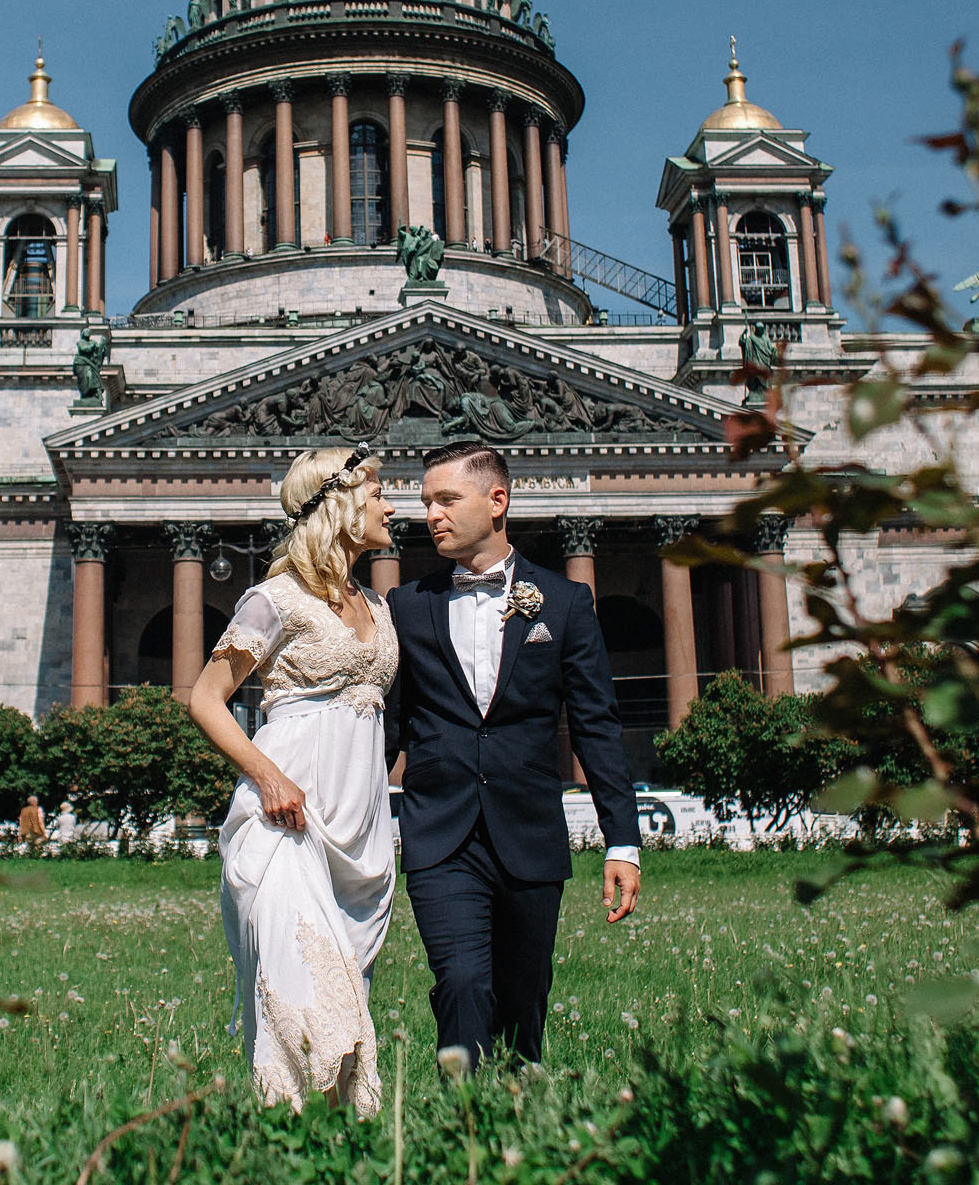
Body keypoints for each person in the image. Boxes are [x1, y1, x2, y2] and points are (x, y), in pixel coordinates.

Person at [385, 440, 642, 1067]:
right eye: (426, 503)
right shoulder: (407, 606)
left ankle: (517, 1119)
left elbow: (596, 726)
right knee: (463, 982)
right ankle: (460, 1120)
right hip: (439, 835)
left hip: (529, 835)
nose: (431, 516)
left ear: (497, 501)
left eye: (447, 499)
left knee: (523, 1000)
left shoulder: (564, 602)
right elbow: (385, 730)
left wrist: (622, 841)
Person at [189, 445, 400, 1115]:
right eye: (378, 494)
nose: (392, 506)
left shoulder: (376, 604)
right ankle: (281, 1132)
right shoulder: (274, 599)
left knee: (345, 993)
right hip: (285, 821)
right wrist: (269, 777)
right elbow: (204, 698)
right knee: (297, 990)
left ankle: (339, 1143)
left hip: (359, 830)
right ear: (339, 506)